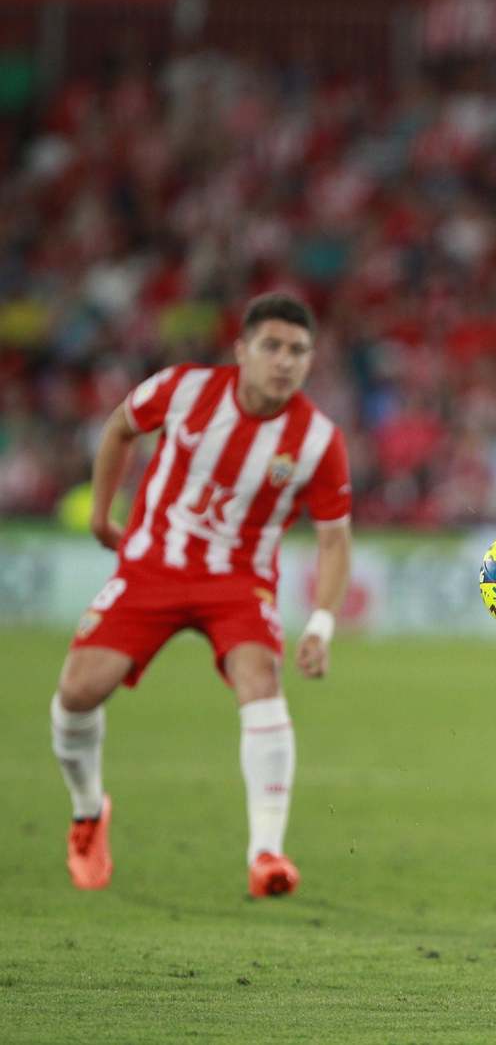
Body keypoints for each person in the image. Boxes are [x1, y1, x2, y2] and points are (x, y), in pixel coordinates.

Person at [52, 292, 352, 897]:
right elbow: (119, 428)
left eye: (298, 351)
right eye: (272, 346)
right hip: (152, 566)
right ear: (241, 350)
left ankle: (266, 853)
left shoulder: (318, 440)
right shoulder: (184, 389)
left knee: (261, 679)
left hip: (238, 581)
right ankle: (88, 814)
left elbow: (335, 541)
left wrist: (319, 624)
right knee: (78, 691)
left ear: (310, 360)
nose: (285, 361)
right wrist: (101, 515)